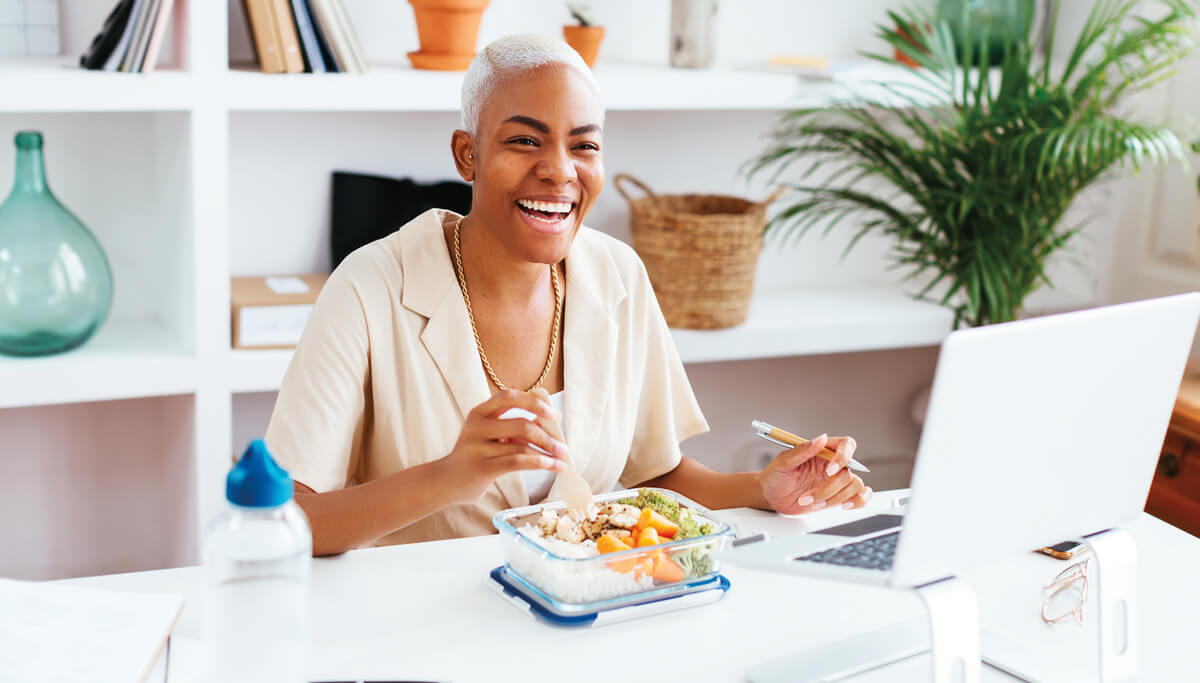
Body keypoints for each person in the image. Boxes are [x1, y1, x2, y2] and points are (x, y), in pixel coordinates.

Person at [265, 34, 871, 556]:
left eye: (584, 145)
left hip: (579, 614)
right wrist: (453, 475)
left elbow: (653, 473)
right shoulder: (367, 288)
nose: (560, 171)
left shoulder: (619, 276)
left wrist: (760, 490)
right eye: (526, 141)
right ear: (467, 154)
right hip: (417, 630)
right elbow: (291, 520)